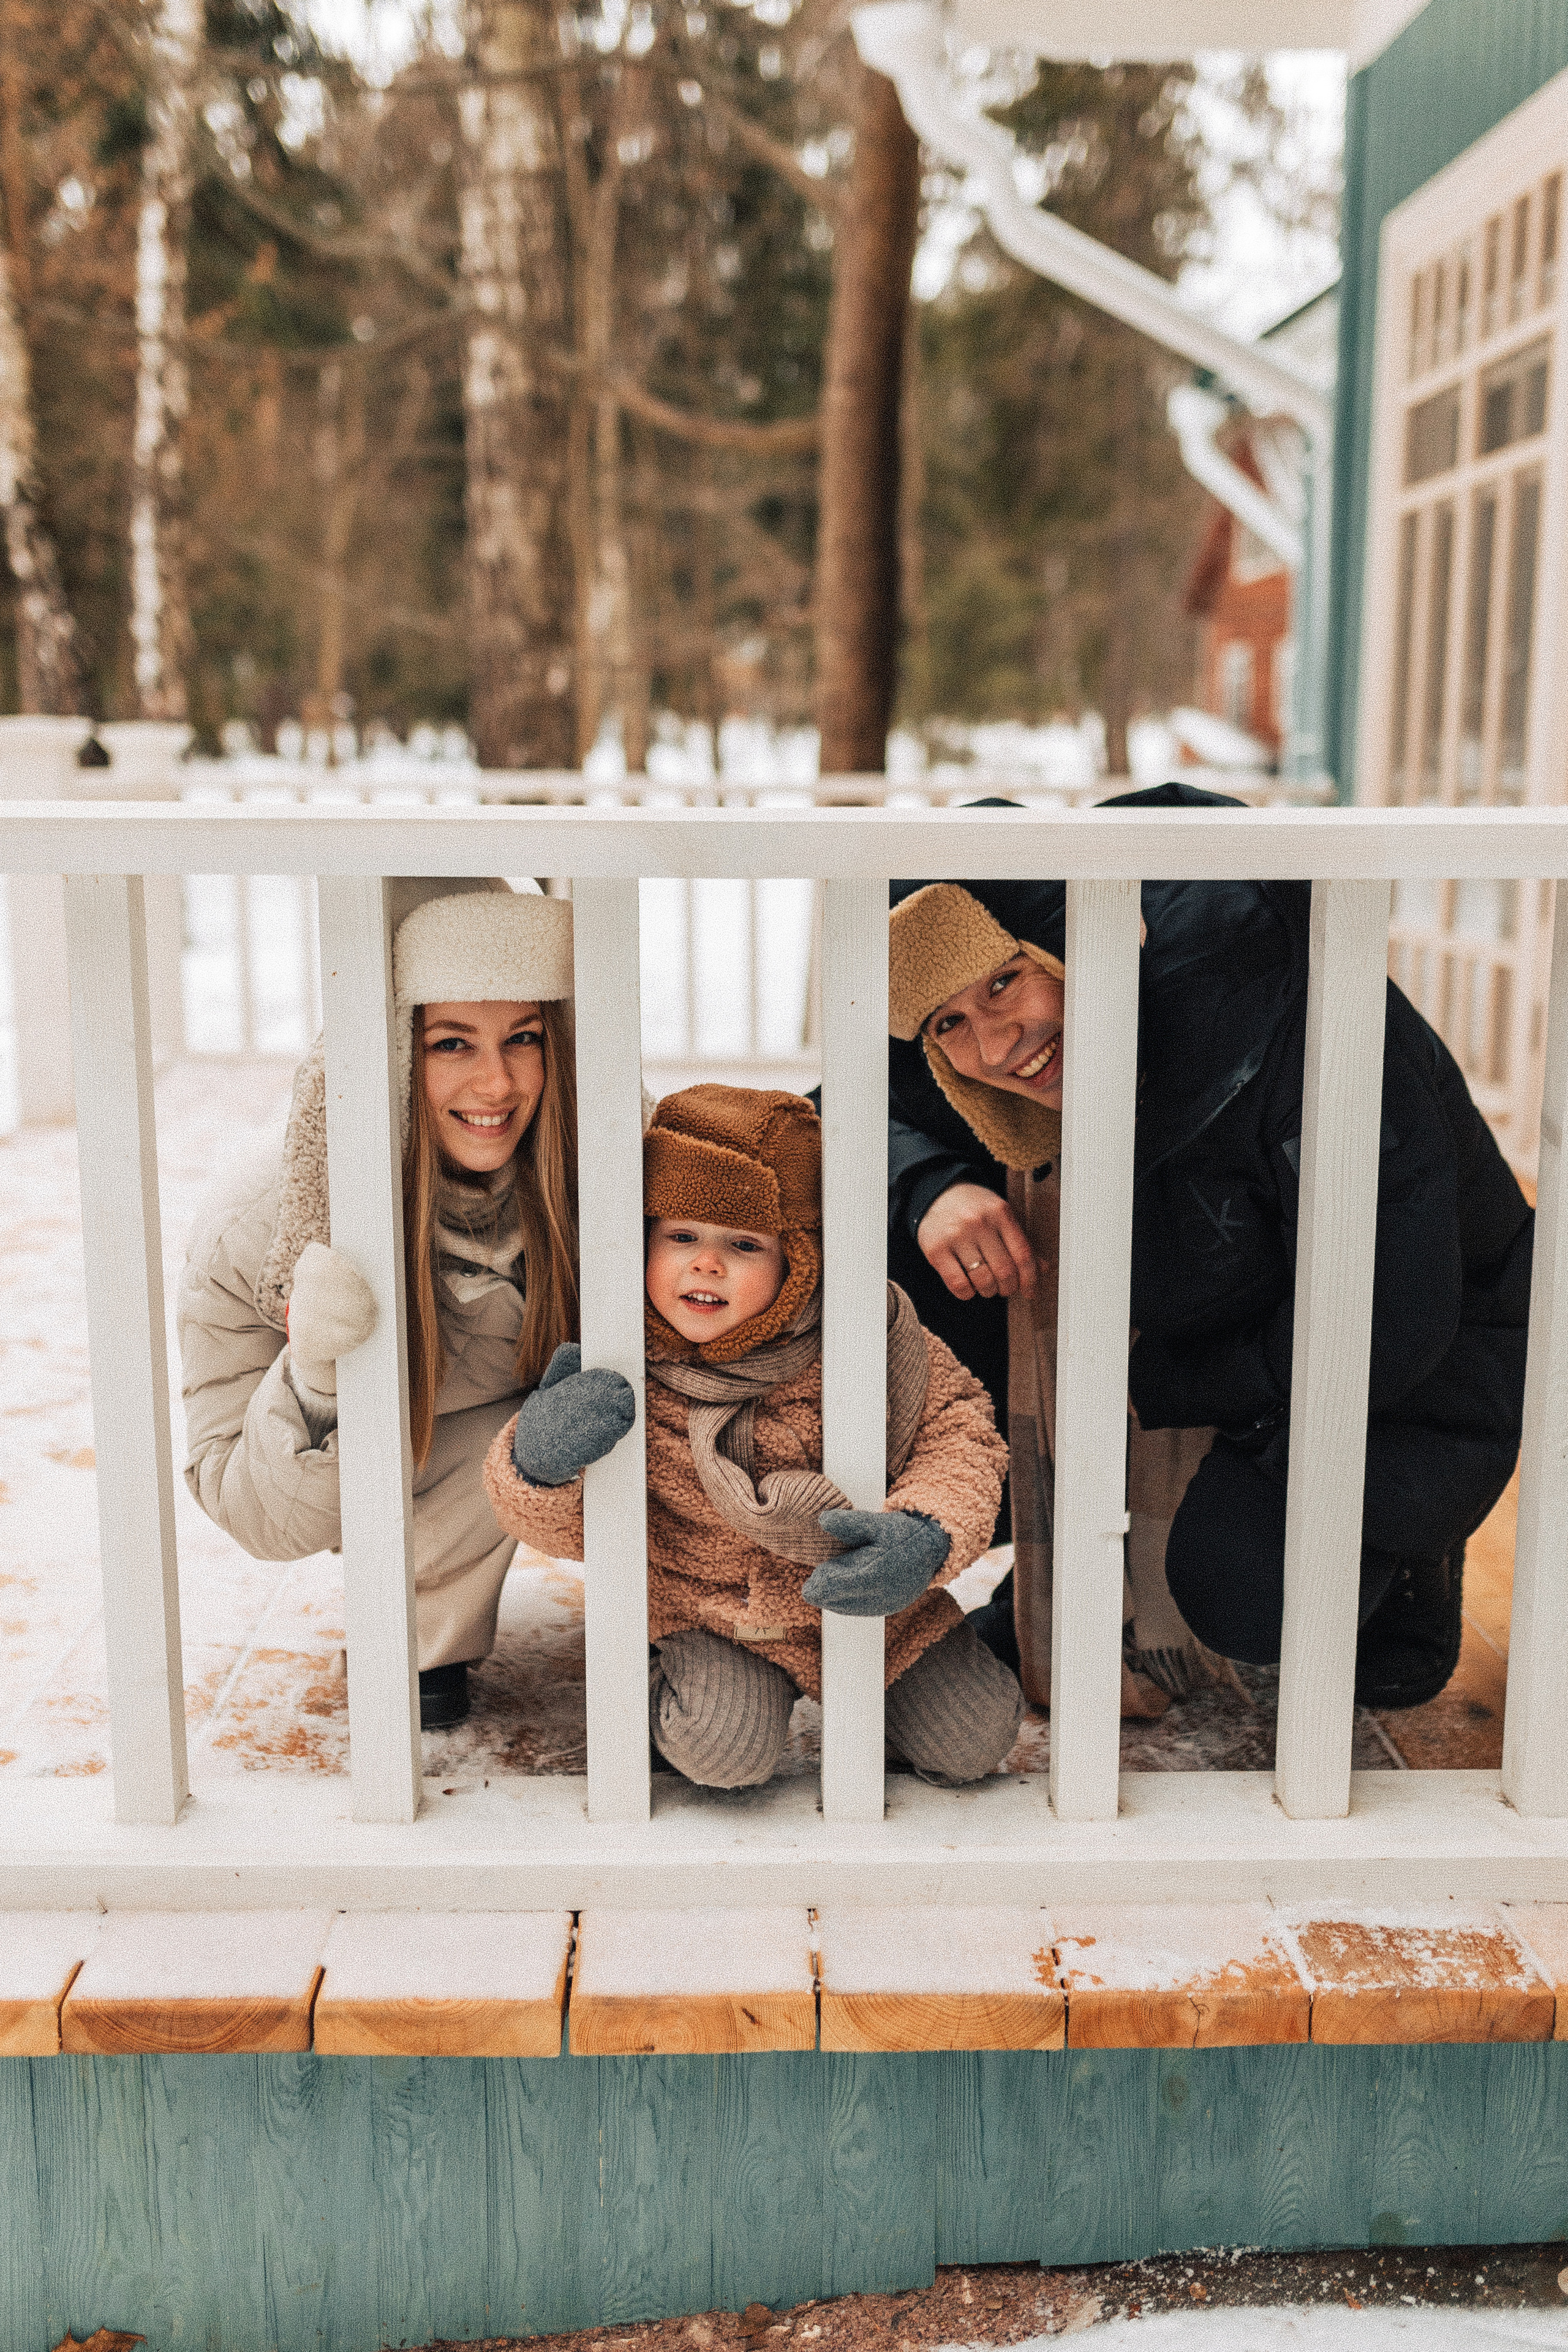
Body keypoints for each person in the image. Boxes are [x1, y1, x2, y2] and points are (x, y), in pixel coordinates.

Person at [884, 782, 1534, 1717]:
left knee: (1246, 1592)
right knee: (912, 1236)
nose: (996, 1041)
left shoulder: (1294, 1009)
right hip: (1223, 1326)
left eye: (1004, 981)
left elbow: (1394, 1317)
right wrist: (928, 1186)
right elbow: (849, 1109)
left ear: (1074, 937)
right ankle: (1063, 1568)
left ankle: (1404, 1564)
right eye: (948, 1021)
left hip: (1414, 1350)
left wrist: (1172, 1384)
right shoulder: (1030, 1029)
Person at [483, 1084, 1021, 1788]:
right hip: (709, 1615)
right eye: (681, 1236)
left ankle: (897, 1708)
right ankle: (655, 1690)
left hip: (876, 1606)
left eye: (743, 1243)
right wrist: (538, 1462)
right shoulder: (624, 1358)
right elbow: (564, 1529)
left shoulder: (864, 1339)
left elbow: (961, 1434)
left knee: (975, 1741)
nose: (706, 1264)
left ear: (798, 1261)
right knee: (724, 1755)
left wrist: (925, 1535)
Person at [179, 879, 579, 1730]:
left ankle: (689, 1612)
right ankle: (420, 1631)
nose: (497, 1082)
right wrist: (320, 1380)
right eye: (451, 1044)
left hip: (546, 1427)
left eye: (524, 1038)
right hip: (382, 1460)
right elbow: (254, 1516)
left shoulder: (601, 1159)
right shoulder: (257, 1228)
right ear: (398, 1052)